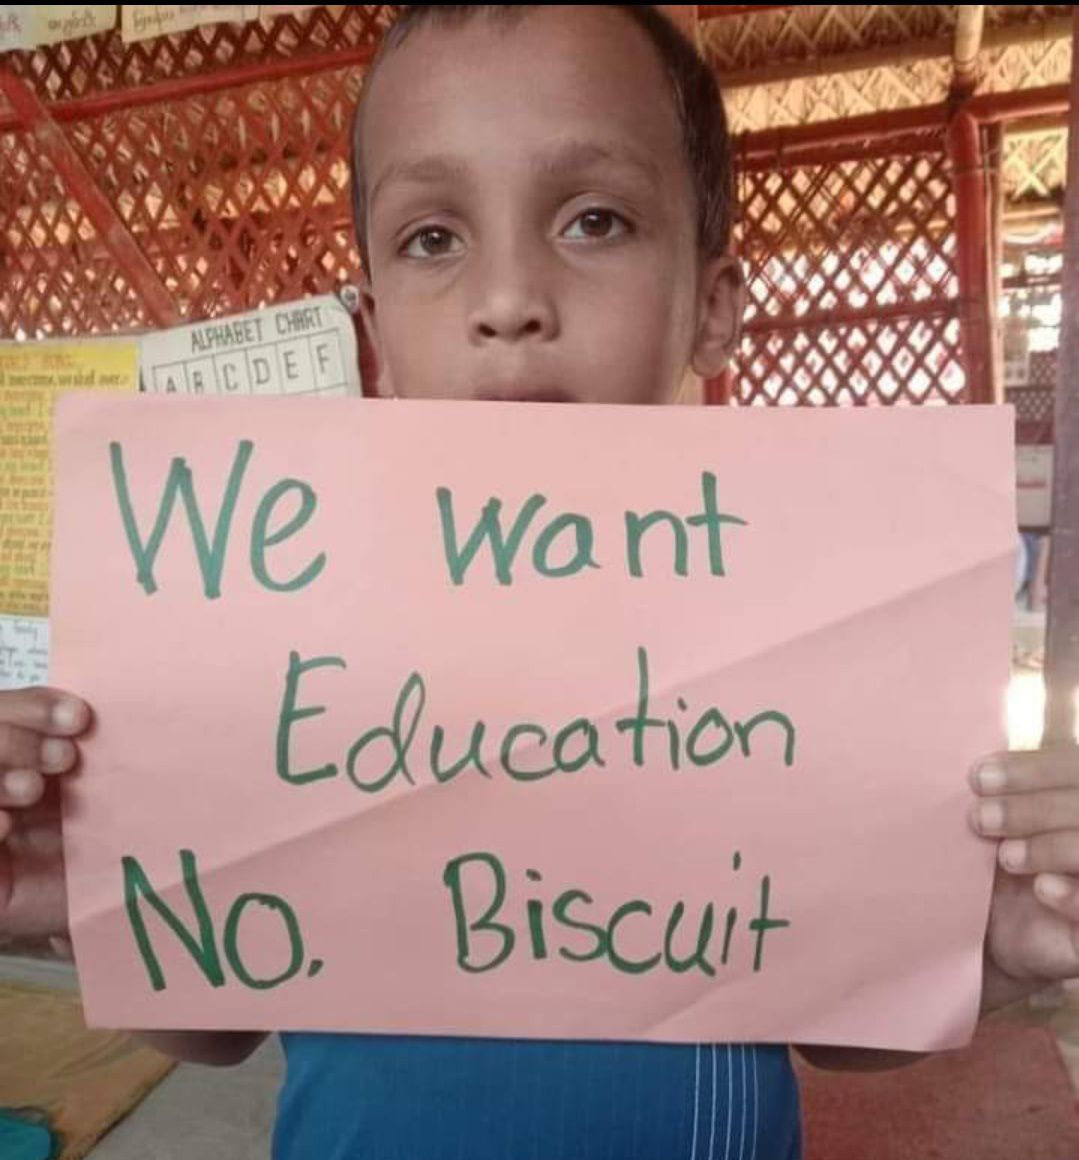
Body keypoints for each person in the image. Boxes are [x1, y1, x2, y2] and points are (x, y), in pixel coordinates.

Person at [2, 6, 1078, 1158]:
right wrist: (87, 900)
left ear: (711, 307)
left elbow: (844, 1037)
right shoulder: (283, 651)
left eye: (594, 219)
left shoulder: (800, 661)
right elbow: (213, 1027)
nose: (506, 298)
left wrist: (987, 947)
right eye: (430, 238)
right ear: (371, 332)